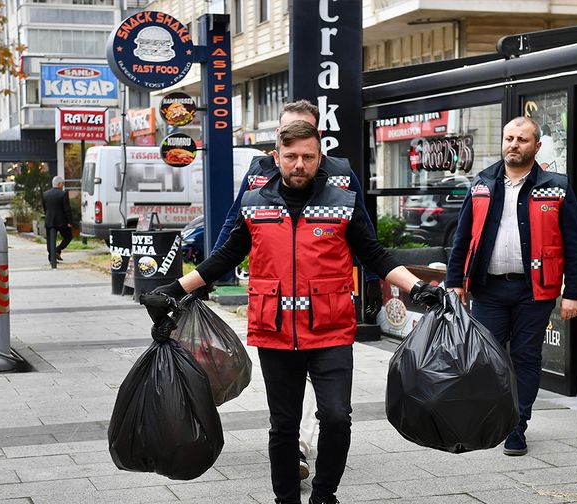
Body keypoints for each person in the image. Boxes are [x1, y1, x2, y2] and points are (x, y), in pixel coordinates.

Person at [146, 121, 441, 504]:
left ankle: (323, 495)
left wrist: (418, 287)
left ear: (320, 158)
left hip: (331, 331)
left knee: (336, 417)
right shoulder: (254, 204)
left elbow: (375, 255)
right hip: (275, 333)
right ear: (276, 158)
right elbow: (225, 257)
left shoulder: (342, 202)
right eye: (291, 157)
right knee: (283, 425)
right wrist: (174, 289)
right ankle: (285, 499)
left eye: (308, 156)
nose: (299, 164)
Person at [214, 99, 383, 480]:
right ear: (278, 144)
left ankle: (310, 460)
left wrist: (373, 283)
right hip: (277, 315)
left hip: (325, 313)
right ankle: (298, 451)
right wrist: (209, 275)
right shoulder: (258, 174)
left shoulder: (341, 174)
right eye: (287, 138)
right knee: (287, 412)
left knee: (333, 410)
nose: (298, 160)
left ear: (318, 140)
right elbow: (235, 227)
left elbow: (365, 235)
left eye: (306, 142)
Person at [445, 116, 577, 456]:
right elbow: (462, 236)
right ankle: (492, 418)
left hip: (533, 291)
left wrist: (574, 292)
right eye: (509, 138)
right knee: (487, 358)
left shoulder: (557, 186)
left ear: (536, 146)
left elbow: (575, 244)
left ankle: (516, 425)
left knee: (525, 356)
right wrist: (454, 282)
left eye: (522, 139)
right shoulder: (482, 183)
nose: (513, 144)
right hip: (488, 289)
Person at [42, 175, 73, 269]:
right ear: (59, 184)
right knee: (68, 236)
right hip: (61, 221)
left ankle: (51, 256)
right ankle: (57, 250)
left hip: (49, 220)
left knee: (49, 240)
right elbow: (67, 209)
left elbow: (45, 208)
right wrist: (70, 221)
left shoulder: (45, 194)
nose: (63, 185)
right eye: (62, 184)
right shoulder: (63, 194)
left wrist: (48, 215)